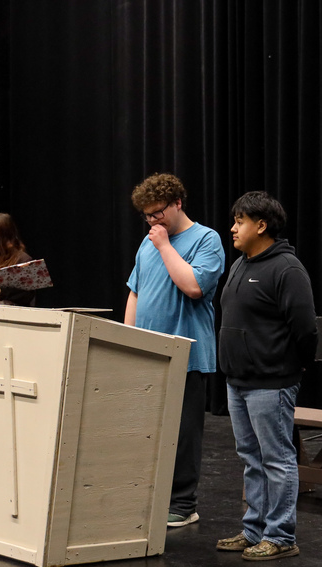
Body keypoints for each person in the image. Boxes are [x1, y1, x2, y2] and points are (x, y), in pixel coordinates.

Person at [216, 191, 317, 560]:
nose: (233, 228)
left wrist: (294, 367)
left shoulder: (287, 269)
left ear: (261, 225)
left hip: (271, 382)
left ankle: (281, 535)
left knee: (276, 459)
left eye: (239, 221)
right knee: (251, 458)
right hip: (238, 380)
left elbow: (306, 329)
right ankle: (254, 529)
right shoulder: (241, 264)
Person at [124, 173, 225, 527]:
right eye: (148, 216)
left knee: (182, 434)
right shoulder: (146, 243)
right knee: (147, 430)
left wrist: (166, 245)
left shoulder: (206, 239)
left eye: (158, 212)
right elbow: (135, 292)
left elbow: (195, 287)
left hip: (186, 353)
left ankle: (184, 504)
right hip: (148, 352)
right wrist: (128, 340)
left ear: (177, 203)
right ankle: (153, 496)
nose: (153, 221)